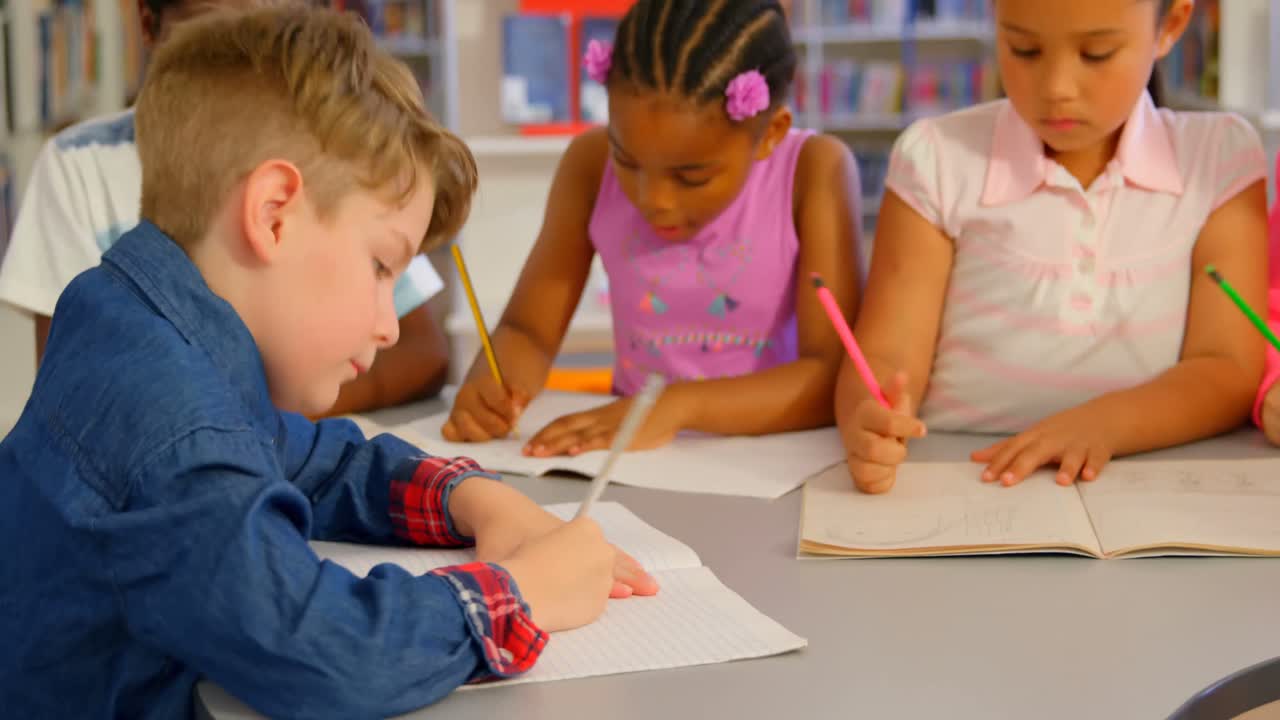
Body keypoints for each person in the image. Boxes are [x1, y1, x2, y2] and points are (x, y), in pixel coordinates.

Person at [0, 7, 656, 717]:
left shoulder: (136, 319)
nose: (385, 324)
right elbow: (318, 649)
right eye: (380, 266)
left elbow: (316, 459)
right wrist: (523, 592)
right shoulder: (178, 430)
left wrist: (474, 497)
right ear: (274, 213)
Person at [838, 0, 1268, 494]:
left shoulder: (1219, 159)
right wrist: (865, 415)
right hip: (958, 479)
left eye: (1097, 53)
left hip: (1155, 484)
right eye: (1024, 49)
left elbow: (1228, 366)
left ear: (1169, 26)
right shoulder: (936, 158)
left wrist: (1103, 424)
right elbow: (886, 353)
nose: (1056, 88)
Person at [444, 0, 863, 458]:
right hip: (630, 459)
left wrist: (675, 407)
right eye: (627, 160)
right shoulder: (589, 164)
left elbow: (832, 377)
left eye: (692, 177)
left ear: (770, 133)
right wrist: (495, 382)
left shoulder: (813, 172)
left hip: (777, 458)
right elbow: (528, 331)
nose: (653, 200)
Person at [0, 0, 451, 416]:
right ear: (147, 23)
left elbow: (423, 354)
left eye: (268, 34)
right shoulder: (79, 165)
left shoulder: (323, 156)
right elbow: (73, 393)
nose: (247, 63)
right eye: (215, 30)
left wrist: (266, 417)